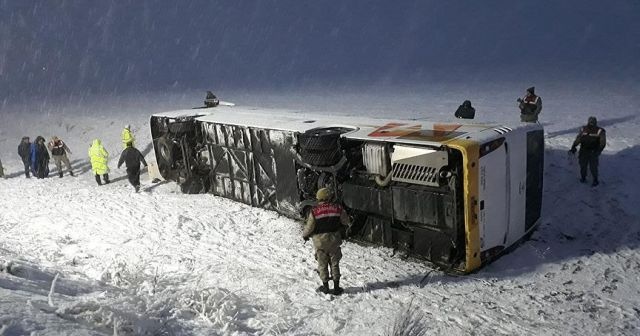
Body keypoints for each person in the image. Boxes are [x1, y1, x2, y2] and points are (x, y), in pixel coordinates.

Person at [302, 187, 351, 295]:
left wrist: (304, 235)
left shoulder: (314, 211)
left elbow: (309, 227)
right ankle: (337, 288)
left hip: (320, 242)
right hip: (334, 240)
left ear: (319, 198)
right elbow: (346, 221)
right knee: (335, 264)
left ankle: (325, 287)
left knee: (322, 265)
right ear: (329, 197)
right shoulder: (338, 208)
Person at [569, 116, 606, 186]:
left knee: (593, 167)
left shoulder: (600, 131)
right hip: (584, 151)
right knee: (583, 165)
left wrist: (598, 151)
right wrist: (574, 146)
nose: (591, 124)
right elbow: (578, 139)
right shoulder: (583, 129)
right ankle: (583, 177)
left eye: (592, 122)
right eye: (590, 122)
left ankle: (595, 179)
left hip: (593, 152)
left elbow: (602, 143)